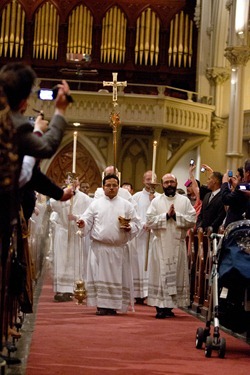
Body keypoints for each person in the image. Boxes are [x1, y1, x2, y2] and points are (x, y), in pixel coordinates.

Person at [77, 174, 142, 316]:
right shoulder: (95, 204)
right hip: (99, 249)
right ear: (103, 187)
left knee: (117, 279)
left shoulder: (127, 205)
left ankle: (113, 306)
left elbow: (137, 223)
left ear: (118, 187)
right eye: (108, 185)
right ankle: (101, 306)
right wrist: (83, 223)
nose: (111, 188)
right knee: (99, 277)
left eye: (114, 185)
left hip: (118, 250)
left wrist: (130, 227)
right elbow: (86, 219)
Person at [146, 173, 196, 318]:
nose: (169, 185)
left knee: (175, 276)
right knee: (160, 276)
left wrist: (175, 216)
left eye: (171, 182)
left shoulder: (184, 201)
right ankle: (160, 307)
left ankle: (169, 307)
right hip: (160, 244)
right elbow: (149, 221)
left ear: (176, 183)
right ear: (162, 184)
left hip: (177, 244)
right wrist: (166, 216)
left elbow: (192, 219)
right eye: (166, 182)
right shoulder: (156, 202)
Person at [50, 178, 92, 302]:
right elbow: (53, 204)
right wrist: (64, 193)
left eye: (74, 181)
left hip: (75, 233)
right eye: (69, 181)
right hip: (63, 233)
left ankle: (74, 288)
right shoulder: (63, 194)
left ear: (78, 183)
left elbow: (89, 215)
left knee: (74, 262)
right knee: (62, 261)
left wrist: (76, 217)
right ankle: (62, 289)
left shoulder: (85, 198)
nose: (72, 184)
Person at [131, 170, 160, 305]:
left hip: (154, 236)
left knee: (152, 264)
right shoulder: (136, 197)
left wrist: (153, 224)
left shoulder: (160, 197)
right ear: (143, 181)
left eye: (152, 179)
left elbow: (162, 214)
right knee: (139, 263)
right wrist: (143, 224)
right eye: (147, 179)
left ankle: (150, 293)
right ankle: (138, 293)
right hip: (140, 236)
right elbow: (133, 214)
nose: (150, 182)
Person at [220, 160, 250, 228]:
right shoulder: (244, 187)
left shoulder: (243, 188)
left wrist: (224, 183)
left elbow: (226, 199)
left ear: (248, 173)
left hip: (239, 228)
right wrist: (237, 186)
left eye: (244, 171)